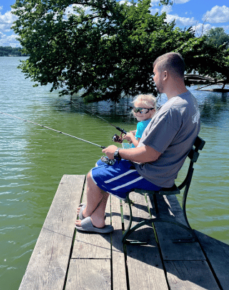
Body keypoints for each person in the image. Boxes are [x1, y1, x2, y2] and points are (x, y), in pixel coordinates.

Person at [75, 52, 201, 233]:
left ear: (165, 75)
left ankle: (93, 218)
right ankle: (94, 212)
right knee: (102, 164)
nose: (153, 77)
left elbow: (150, 154)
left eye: (155, 73)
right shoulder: (189, 101)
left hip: (152, 174)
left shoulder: (172, 109)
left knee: (93, 177)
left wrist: (117, 152)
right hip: (163, 169)